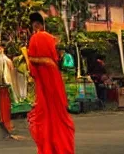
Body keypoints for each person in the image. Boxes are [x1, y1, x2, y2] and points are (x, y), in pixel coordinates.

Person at [26, 12, 75, 154]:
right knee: (57, 109)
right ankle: (61, 143)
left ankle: (50, 145)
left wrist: (32, 60)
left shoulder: (35, 37)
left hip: (44, 76)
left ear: (34, 25)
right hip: (53, 74)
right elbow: (54, 57)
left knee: (46, 110)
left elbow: (32, 61)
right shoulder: (50, 38)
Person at [0, 46, 20, 140]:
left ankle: (6, 126)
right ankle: (7, 125)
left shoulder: (1, 60)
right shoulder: (7, 60)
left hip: (3, 88)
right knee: (6, 108)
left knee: (3, 108)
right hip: (8, 87)